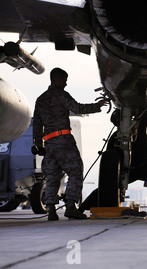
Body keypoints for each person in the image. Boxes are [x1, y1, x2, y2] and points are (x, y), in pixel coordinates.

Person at [79, 109, 147, 219]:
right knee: (107, 187)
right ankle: (81, 209)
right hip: (128, 171)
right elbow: (110, 163)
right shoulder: (114, 138)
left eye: (121, 118)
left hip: (146, 166)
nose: (120, 121)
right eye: (117, 120)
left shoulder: (138, 128)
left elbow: (145, 115)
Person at [33, 68, 107, 221]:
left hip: (49, 143)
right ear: (58, 80)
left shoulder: (40, 99)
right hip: (63, 140)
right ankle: (71, 206)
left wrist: (38, 144)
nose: (66, 84)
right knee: (75, 171)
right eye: (64, 80)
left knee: (52, 176)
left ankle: (51, 210)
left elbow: (37, 125)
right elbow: (78, 108)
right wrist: (97, 105)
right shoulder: (61, 95)